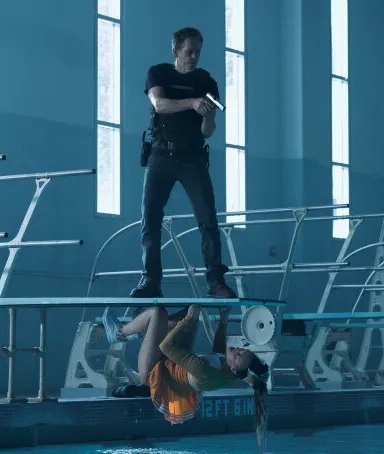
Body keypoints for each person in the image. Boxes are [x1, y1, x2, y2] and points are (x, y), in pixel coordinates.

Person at [131, 26, 236, 299]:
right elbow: (159, 104)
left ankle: (216, 281)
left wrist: (208, 114)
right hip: (160, 154)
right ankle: (150, 279)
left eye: (197, 52)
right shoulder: (158, 73)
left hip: (193, 157)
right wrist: (192, 102)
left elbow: (207, 132)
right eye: (189, 51)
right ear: (176, 50)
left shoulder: (206, 81)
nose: (194, 57)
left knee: (207, 219)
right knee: (150, 218)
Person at [103, 304, 268, 448]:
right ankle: (143, 328)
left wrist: (188, 319)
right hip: (174, 365)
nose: (238, 350)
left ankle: (119, 333)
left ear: (233, 369)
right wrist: (223, 321)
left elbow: (165, 347)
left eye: (238, 356)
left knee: (158, 313)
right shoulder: (234, 373)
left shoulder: (203, 369)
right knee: (191, 309)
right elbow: (219, 353)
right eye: (243, 350)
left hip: (154, 370)